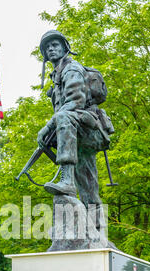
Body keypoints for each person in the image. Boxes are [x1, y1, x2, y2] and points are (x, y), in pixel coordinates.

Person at [37, 30, 114, 230]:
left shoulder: (71, 68)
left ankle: (67, 180)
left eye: (55, 45)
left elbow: (75, 101)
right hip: (78, 131)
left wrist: (48, 126)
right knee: (88, 181)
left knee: (62, 117)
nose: (51, 49)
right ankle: (97, 229)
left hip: (88, 128)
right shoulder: (56, 76)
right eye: (47, 47)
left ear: (65, 48)